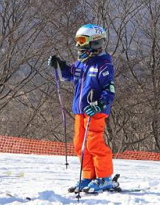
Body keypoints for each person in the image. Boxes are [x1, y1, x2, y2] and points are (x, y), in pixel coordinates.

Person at [47, 24, 118, 193]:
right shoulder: (82, 63)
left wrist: (100, 104)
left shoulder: (103, 65)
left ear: (94, 42)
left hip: (95, 110)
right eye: (77, 40)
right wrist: (60, 65)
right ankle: (88, 176)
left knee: (94, 144)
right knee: (79, 144)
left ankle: (104, 178)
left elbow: (110, 90)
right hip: (80, 111)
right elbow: (69, 74)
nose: (78, 45)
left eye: (81, 40)